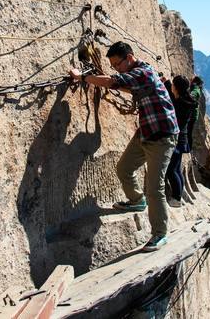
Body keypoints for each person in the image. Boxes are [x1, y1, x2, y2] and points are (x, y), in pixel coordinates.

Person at [69, 41, 178, 252]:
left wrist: (81, 76)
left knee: (155, 187)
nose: (116, 68)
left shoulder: (143, 72)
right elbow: (122, 84)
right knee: (124, 168)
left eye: (117, 63)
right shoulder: (140, 75)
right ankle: (137, 200)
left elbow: (112, 81)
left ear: (129, 58)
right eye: (114, 65)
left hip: (162, 135)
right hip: (147, 131)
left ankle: (160, 233)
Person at [163, 75, 196, 208]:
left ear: (176, 88)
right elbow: (172, 97)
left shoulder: (180, 103)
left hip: (176, 140)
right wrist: (166, 83)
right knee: (176, 169)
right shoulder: (185, 101)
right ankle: (179, 195)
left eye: (173, 85)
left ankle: (176, 198)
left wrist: (165, 85)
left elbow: (170, 102)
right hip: (182, 140)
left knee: (171, 170)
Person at [187, 76, 204, 151]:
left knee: (188, 131)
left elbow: (191, 97)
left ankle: (188, 148)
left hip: (192, 115)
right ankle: (188, 147)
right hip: (193, 114)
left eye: (192, 79)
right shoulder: (197, 89)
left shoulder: (195, 89)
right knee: (189, 131)